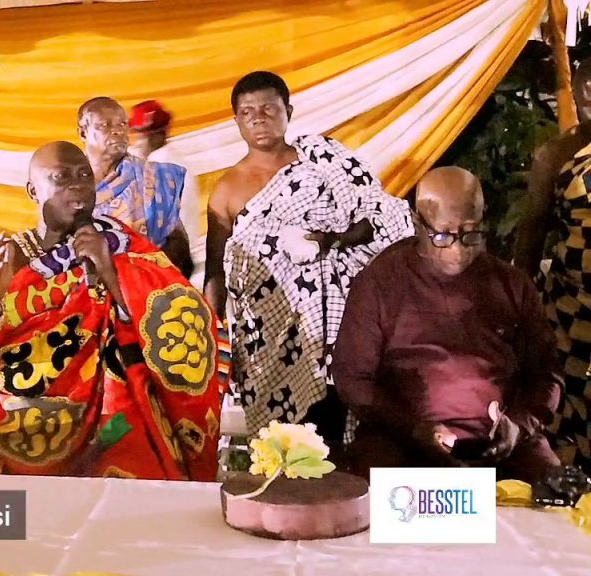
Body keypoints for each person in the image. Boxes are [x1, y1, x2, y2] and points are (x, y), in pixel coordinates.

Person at [0, 141, 221, 481]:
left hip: (112, 421)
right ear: (33, 191)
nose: (77, 185)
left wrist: (110, 273)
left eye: (84, 175)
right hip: (19, 419)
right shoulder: (5, 259)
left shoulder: (123, 246)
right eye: (61, 177)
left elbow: (184, 317)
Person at [206, 71, 412, 447]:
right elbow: (217, 270)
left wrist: (331, 240)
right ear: (236, 121)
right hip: (267, 335)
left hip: (335, 323)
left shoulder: (324, 161)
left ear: (288, 112)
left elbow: (376, 215)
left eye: (268, 108)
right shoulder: (226, 190)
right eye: (247, 112)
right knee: (282, 445)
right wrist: (213, 334)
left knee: (333, 430)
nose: (258, 118)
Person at [333, 167, 562, 483]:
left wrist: (519, 426)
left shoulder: (512, 285)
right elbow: (353, 379)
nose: (458, 249)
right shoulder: (379, 283)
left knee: (554, 494)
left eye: (470, 233)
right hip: (402, 438)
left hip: (502, 443)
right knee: (377, 487)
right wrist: (413, 428)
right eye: (442, 236)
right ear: (417, 223)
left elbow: (547, 375)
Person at [513, 59, 591, 472]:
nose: (589, 89)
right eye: (583, 81)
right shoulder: (555, 154)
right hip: (569, 309)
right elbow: (531, 233)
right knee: (567, 410)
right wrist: (518, 309)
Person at [78, 97, 193, 278]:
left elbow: (179, 248)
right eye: (105, 125)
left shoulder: (153, 177)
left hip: (149, 285)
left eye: (122, 124)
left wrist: (142, 275)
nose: (117, 131)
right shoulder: (69, 186)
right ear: (83, 133)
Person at [128, 100, 205, 289]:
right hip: (175, 260)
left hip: (165, 261)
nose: (137, 142)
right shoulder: (171, 162)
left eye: (140, 135)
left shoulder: (160, 167)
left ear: (156, 135)